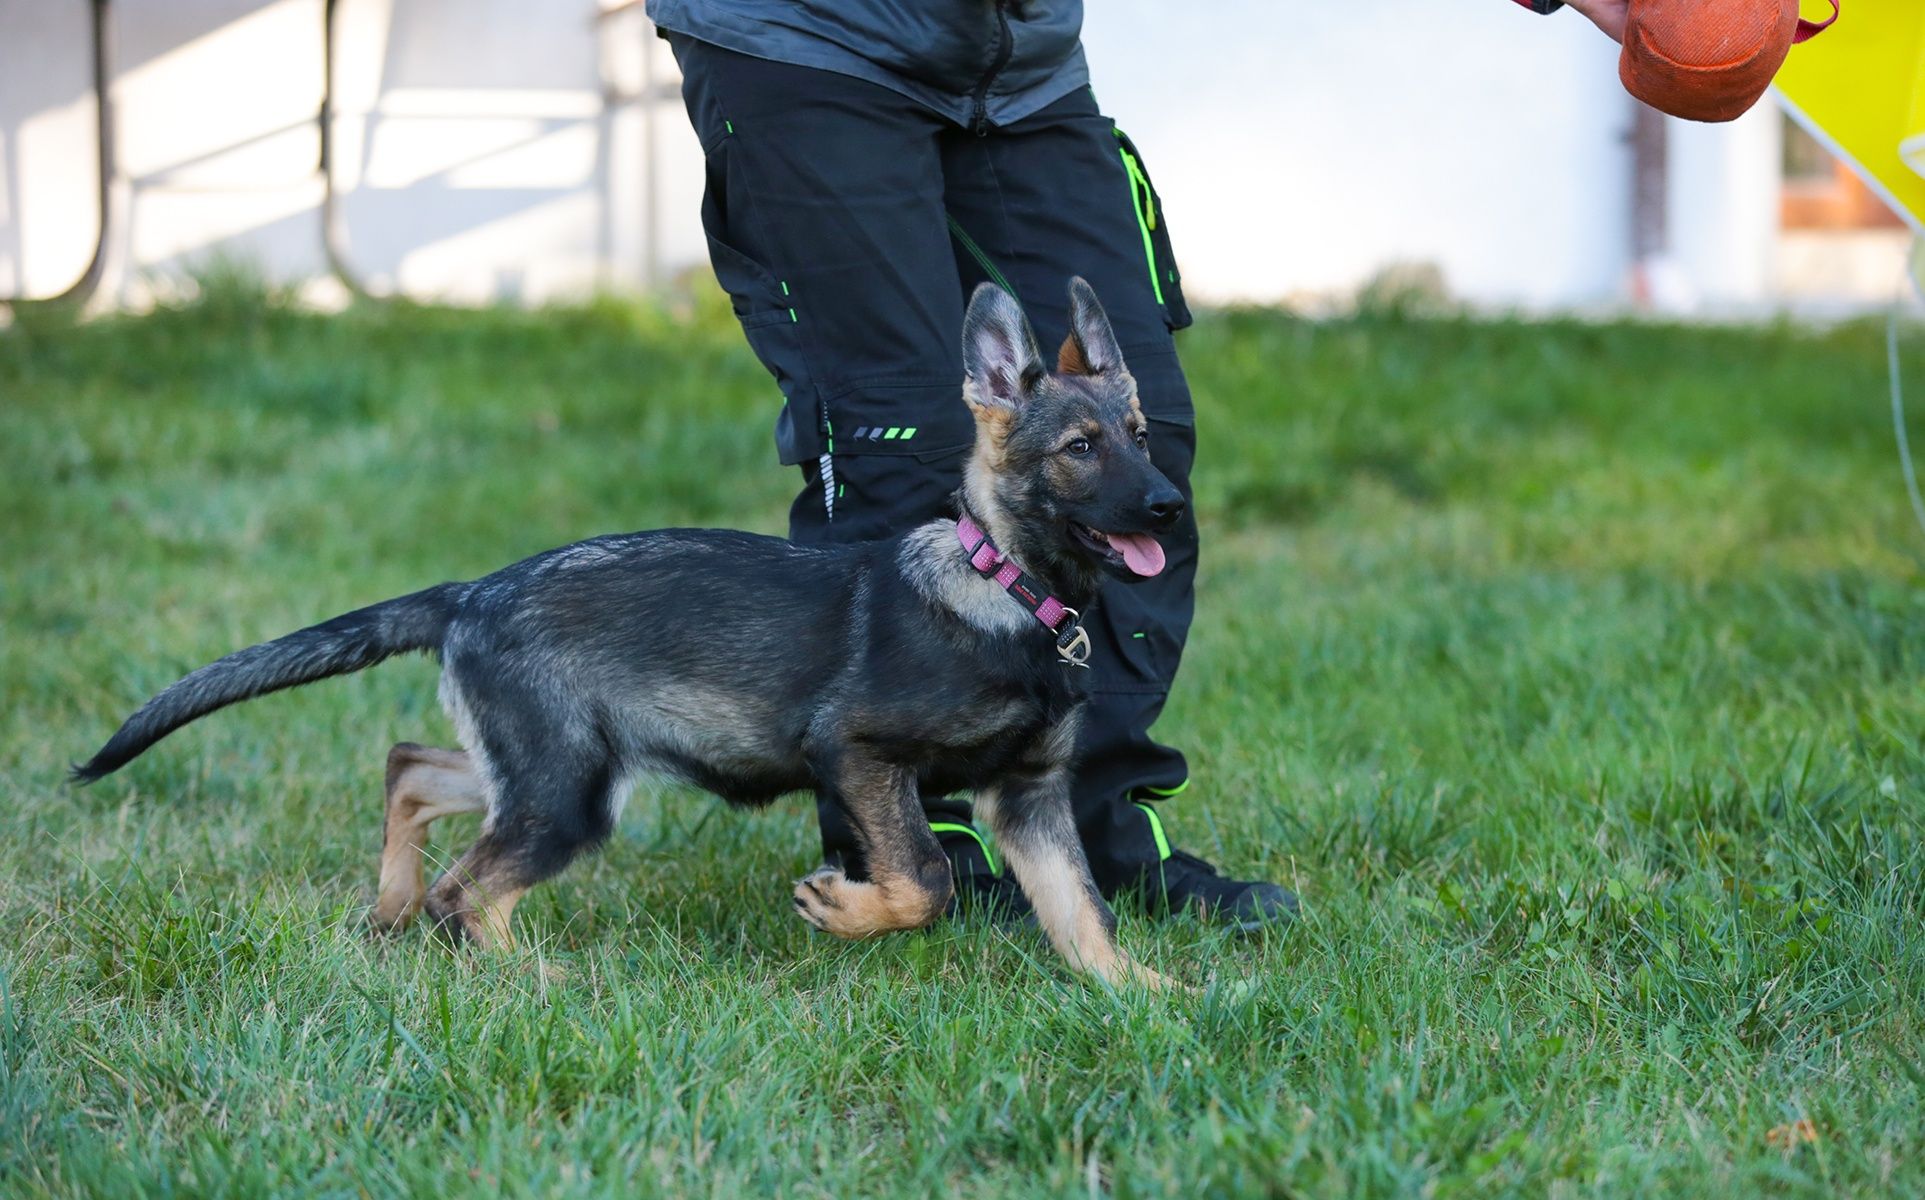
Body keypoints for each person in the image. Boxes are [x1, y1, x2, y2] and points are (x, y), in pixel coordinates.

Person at [645, 0, 1619, 927]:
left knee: (1126, 445)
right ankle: (916, 847)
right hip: (807, 46)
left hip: (1014, 74)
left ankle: (1089, 822)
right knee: (901, 442)